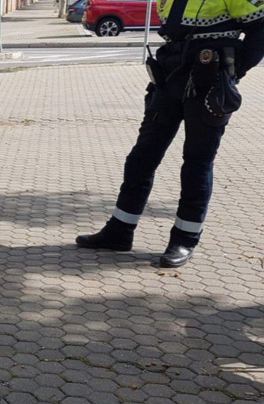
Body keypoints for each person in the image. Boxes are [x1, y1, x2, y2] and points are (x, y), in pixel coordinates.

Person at [76, 0, 264, 267]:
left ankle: (185, 239)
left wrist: (231, 74)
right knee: (142, 156)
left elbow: (259, 30)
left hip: (209, 77)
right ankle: (119, 230)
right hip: (171, 75)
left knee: (197, 163)